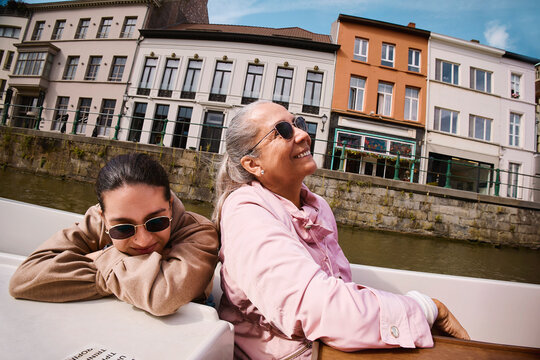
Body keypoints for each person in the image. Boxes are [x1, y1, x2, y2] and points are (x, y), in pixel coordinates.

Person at [213, 100, 470, 359]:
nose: (303, 134)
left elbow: (336, 288)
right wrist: (426, 308)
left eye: (298, 123)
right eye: (283, 130)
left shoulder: (318, 207)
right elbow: (317, 307)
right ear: (253, 165)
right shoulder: (245, 210)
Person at [9, 152, 219, 316]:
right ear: (103, 217)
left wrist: (101, 256)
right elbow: (24, 279)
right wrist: (137, 275)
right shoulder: (98, 221)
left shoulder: (198, 233)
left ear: (170, 205)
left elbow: (162, 296)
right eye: (123, 229)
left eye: (156, 222)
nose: (143, 239)